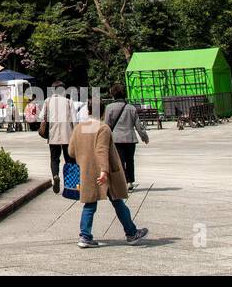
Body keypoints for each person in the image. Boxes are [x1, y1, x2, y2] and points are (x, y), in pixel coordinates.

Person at [68, 111, 149, 248]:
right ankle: (131, 233)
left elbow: (71, 151)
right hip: (105, 173)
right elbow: (102, 150)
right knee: (118, 201)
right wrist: (104, 171)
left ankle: (85, 236)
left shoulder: (78, 128)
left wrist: (84, 156)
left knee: (90, 204)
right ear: (103, 112)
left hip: (86, 172)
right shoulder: (102, 128)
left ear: (87, 111)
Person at [103, 83, 149, 191]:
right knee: (130, 160)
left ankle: (124, 181)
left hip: (116, 139)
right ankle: (130, 181)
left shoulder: (109, 108)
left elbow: (107, 126)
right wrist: (144, 137)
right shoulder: (131, 108)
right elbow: (138, 125)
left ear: (113, 94)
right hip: (130, 139)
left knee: (120, 161)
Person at [39, 81, 77, 194]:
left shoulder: (48, 101)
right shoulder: (68, 102)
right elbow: (74, 120)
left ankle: (55, 175)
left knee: (54, 158)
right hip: (68, 135)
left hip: (53, 134)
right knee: (69, 159)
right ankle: (70, 184)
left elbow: (41, 116)